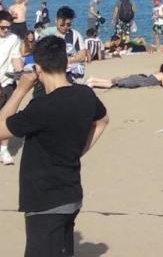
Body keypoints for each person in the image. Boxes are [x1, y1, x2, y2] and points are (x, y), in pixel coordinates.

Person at [0, 35, 109, 256]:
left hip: (46, 200)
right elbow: (102, 121)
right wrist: (80, 150)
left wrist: (20, 90)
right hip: (70, 194)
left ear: (38, 68)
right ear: (65, 62)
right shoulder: (84, 94)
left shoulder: (41, 108)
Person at [41, 6, 89, 83]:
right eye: (62, 25)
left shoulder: (75, 35)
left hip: (71, 72)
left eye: (68, 25)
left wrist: (67, 61)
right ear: (56, 21)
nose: (65, 27)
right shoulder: (47, 34)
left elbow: (82, 55)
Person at [0, 10, 24, 164]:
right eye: (2, 27)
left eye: (8, 27)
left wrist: (19, 71)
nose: (6, 30)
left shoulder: (14, 39)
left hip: (7, 83)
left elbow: (16, 58)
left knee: (7, 117)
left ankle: (4, 150)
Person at [86, 61, 163, 89]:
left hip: (138, 77)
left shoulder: (157, 72)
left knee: (114, 81)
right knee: (112, 85)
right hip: (137, 81)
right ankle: (93, 84)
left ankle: (93, 79)